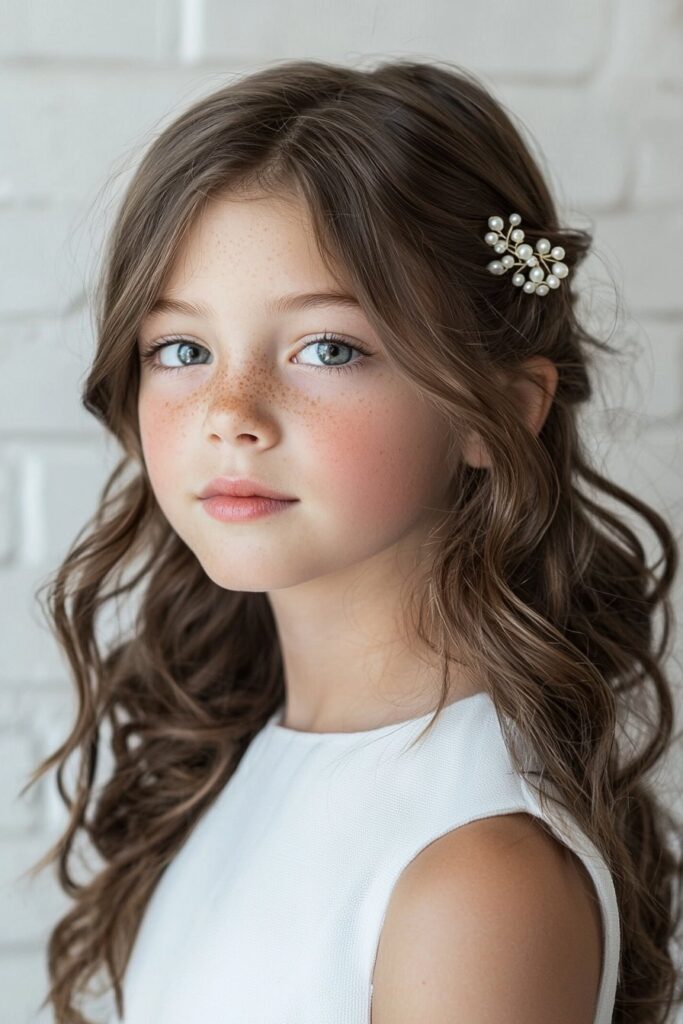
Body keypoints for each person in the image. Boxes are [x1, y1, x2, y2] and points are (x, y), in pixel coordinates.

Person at [22, 57, 682, 1024]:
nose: (230, 414)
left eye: (326, 349)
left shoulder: (476, 879)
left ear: (496, 408)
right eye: (183, 350)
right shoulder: (240, 760)